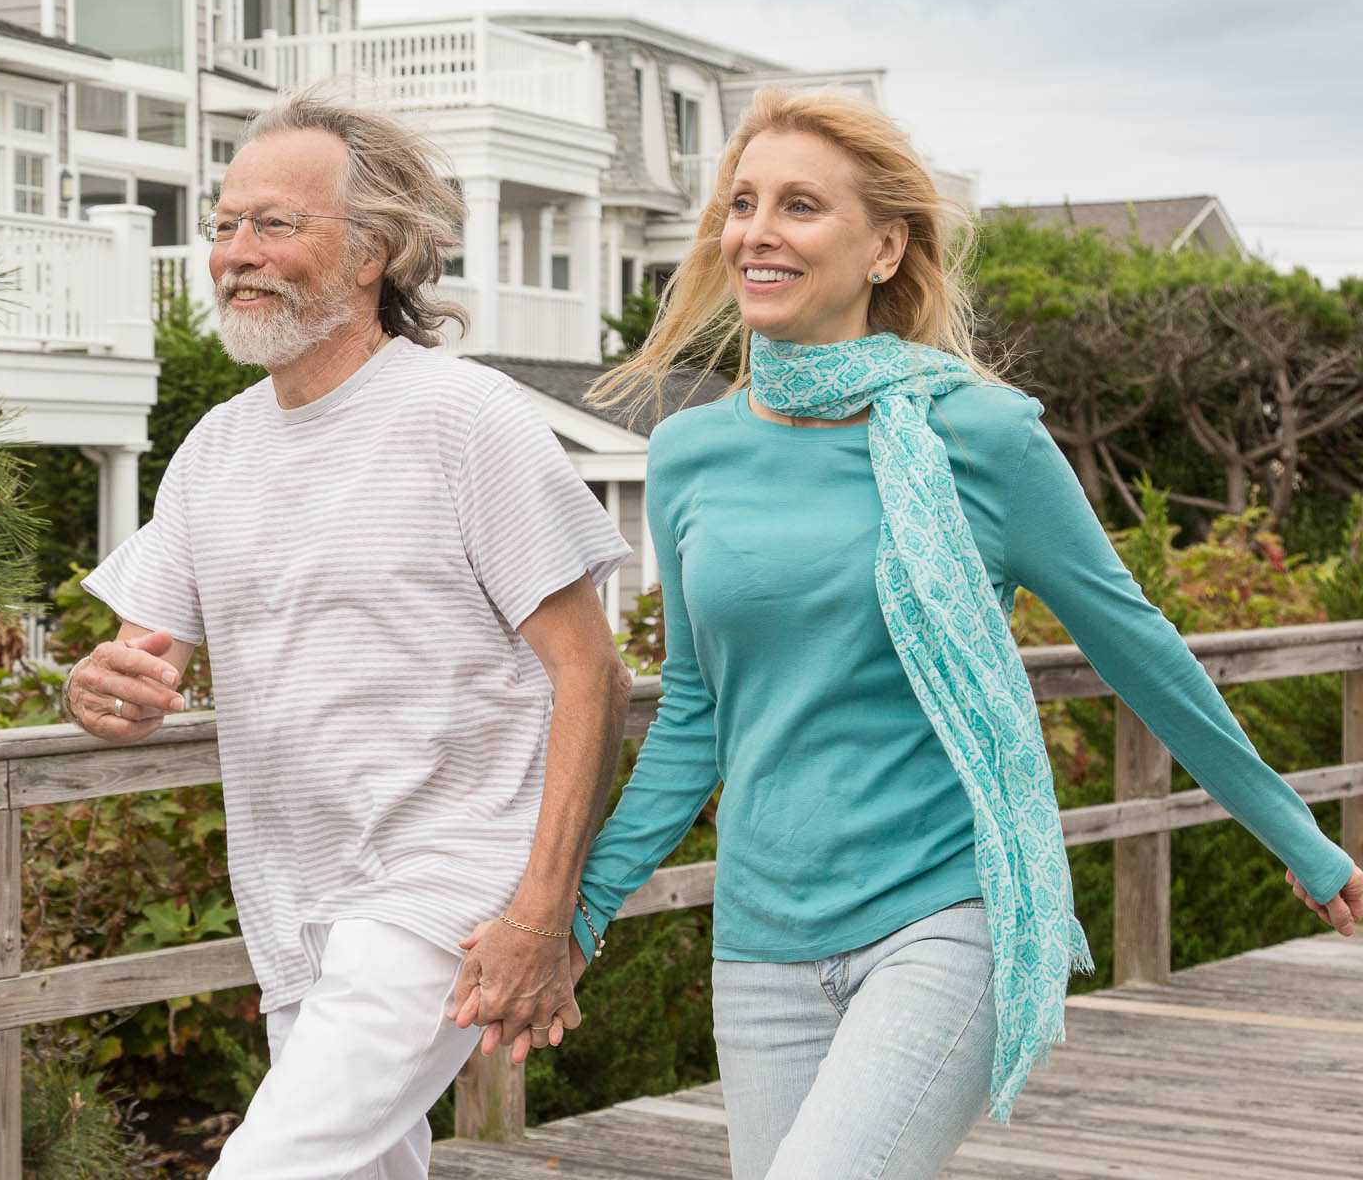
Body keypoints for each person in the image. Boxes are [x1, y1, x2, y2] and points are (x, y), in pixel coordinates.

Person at [500, 86, 1363, 1180]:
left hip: (945, 915)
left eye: (801, 206)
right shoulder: (687, 454)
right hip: (760, 938)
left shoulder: (978, 435)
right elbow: (698, 714)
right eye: (743, 203)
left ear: (883, 247)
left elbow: (1131, 646)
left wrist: (1296, 834)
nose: (758, 231)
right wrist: (576, 909)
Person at [62, 88, 632, 1178]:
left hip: (445, 893)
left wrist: (542, 910)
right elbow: (137, 668)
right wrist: (100, 688)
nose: (235, 252)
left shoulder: (468, 420)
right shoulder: (214, 449)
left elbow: (589, 675)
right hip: (291, 903)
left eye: (274, 224)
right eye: (223, 224)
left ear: (372, 250)